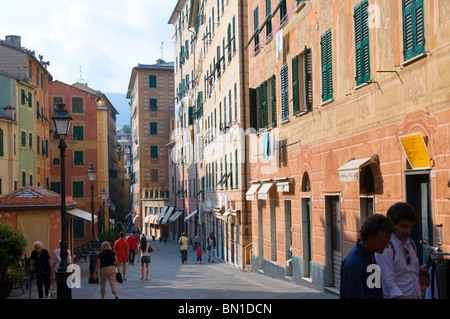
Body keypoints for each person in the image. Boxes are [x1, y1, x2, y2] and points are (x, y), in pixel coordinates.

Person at [340, 214, 396, 299]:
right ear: (370, 238)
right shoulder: (354, 264)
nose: (387, 246)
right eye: (383, 242)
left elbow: (375, 291)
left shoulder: (371, 256)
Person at [375, 202, 421, 299]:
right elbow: (388, 282)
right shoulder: (386, 247)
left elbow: (413, 275)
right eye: (403, 226)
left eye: (410, 226)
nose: (408, 231)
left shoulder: (411, 243)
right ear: (392, 225)